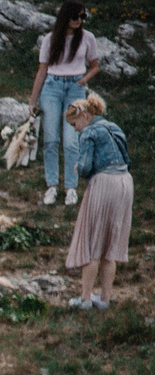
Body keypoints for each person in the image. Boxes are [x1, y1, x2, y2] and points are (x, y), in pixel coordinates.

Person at [31, 3, 104, 208]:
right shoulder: (50, 39)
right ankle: (52, 186)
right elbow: (42, 70)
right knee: (51, 140)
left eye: (82, 17)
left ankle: (71, 187)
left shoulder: (87, 38)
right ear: (65, 17)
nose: (79, 20)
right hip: (52, 87)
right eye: (75, 17)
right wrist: (33, 100)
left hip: (75, 88)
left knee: (71, 141)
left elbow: (95, 66)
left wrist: (82, 81)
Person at [67, 90, 133, 308]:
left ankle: (85, 299)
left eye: (74, 124)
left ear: (84, 116)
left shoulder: (89, 132)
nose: (75, 129)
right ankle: (104, 299)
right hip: (125, 183)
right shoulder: (114, 127)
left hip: (104, 183)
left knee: (94, 244)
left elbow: (85, 167)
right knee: (110, 247)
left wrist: (77, 168)